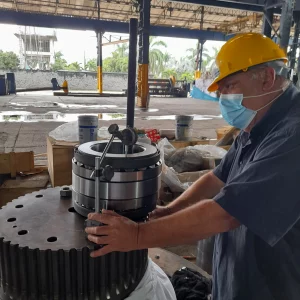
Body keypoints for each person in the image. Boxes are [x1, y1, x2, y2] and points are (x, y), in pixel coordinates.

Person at [85, 32, 300, 300]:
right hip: (238, 278)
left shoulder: (292, 135)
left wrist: (138, 236)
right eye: (220, 90)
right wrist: (170, 211)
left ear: (267, 77)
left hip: (272, 284)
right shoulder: (257, 121)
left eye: (230, 86)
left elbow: (228, 213)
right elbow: (217, 178)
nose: (224, 98)